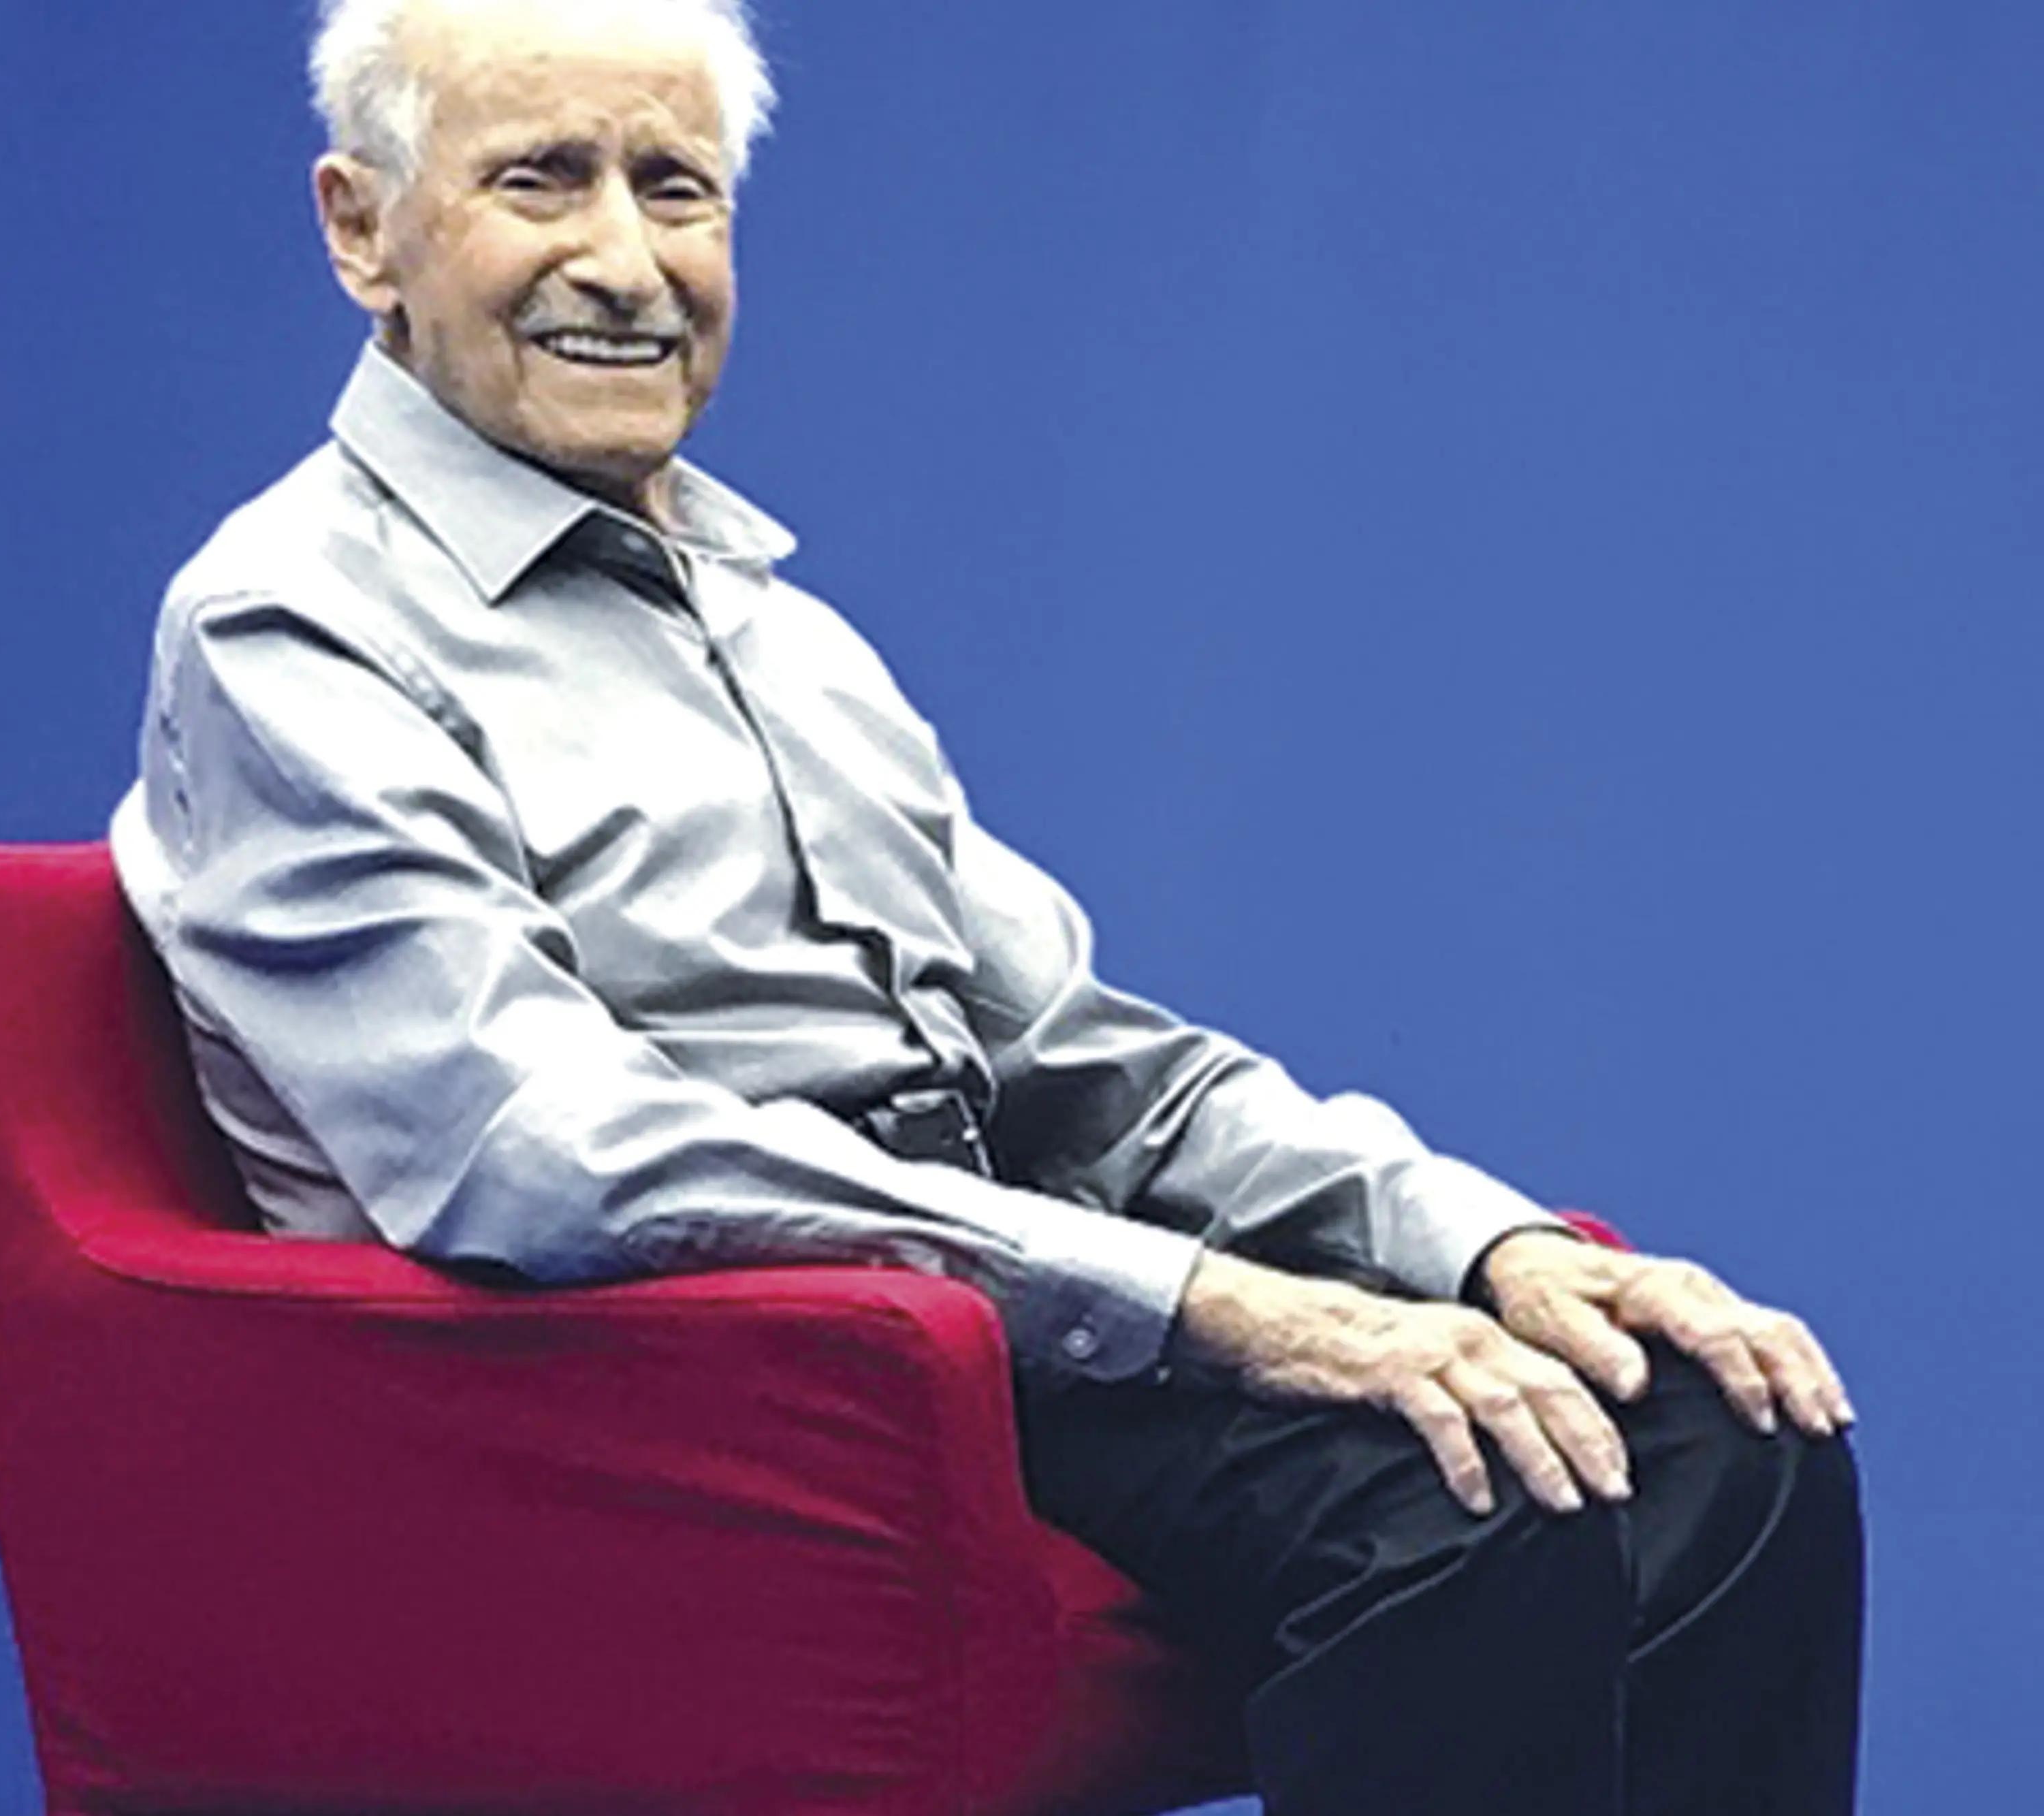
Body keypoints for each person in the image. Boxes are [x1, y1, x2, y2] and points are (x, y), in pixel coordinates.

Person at [108, 1, 1865, 1809]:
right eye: (540, 182)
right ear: (363, 230)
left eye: (675, 188)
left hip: (973, 1302)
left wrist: (1485, 1247)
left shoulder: (783, 632)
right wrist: (1219, 1307)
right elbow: (538, 1156)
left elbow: (1091, 1067)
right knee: (1473, 1501)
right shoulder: (289, 625)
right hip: (688, 1387)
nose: (625, 263)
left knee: (1724, 1438)